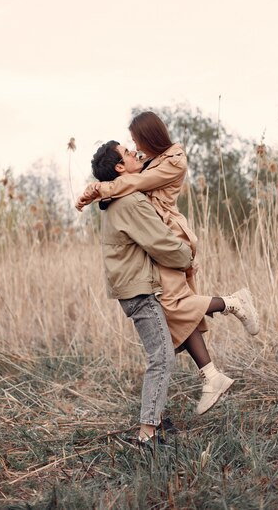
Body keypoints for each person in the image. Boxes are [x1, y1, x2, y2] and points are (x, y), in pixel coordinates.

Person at [76, 114, 259, 416]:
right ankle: (211, 376)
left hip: (170, 237)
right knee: (174, 309)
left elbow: (135, 182)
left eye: (135, 141)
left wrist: (99, 188)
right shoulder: (153, 160)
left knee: (174, 306)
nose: (135, 148)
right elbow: (130, 180)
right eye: (130, 146)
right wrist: (99, 186)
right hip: (159, 239)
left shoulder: (173, 160)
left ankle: (232, 303)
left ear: (149, 136)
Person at [88, 140, 194, 445]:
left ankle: (156, 419)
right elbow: (160, 242)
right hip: (139, 292)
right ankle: (147, 434)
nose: (135, 152)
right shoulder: (130, 202)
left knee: (165, 348)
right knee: (161, 357)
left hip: (133, 287)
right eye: (128, 152)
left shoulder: (117, 198)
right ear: (120, 167)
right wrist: (186, 256)